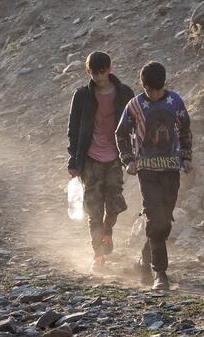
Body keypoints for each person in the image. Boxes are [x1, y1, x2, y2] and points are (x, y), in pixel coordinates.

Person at [116, 61, 192, 291]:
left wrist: (186, 156)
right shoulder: (135, 105)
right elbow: (120, 133)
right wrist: (128, 159)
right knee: (154, 217)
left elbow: (185, 128)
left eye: (159, 89)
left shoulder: (175, 101)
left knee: (165, 219)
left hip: (171, 168)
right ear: (143, 86)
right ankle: (160, 272)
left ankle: (143, 260)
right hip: (146, 170)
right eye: (150, 90)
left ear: (165, 84)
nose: (155, 94)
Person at [67, 51, 135, 272]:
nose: (98, 77)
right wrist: (74, 160)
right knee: (94, 208)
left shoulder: (125, 93)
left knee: (114, 204)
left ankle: (108, 231)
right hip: (90, 159)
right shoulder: (82, 96)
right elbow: (73, 129)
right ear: (88, 72)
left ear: (110, 69)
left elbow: (135, 124)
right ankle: (98, 255)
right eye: (94, 73)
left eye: (102, 72)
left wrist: (133, 154)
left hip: (116, 157)